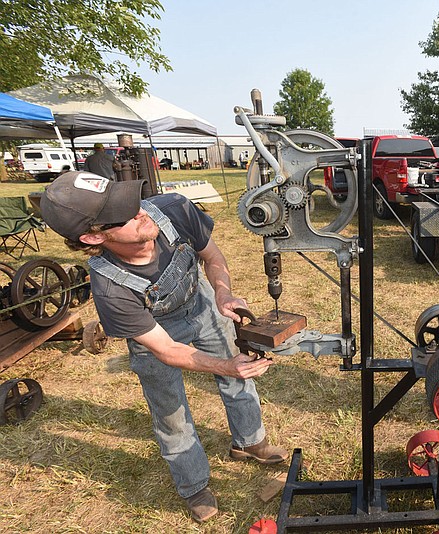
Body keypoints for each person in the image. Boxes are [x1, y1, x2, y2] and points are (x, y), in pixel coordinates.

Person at [39, 171, 289, 522]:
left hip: (201, 303)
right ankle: (194, 485)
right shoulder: (110, 287)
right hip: (155, 332)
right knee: (170, 412)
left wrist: (222, 291)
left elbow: (213, 258)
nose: (140, 212)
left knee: (239, 375)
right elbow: (167, 350)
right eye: (123, 213)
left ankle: (249, 442)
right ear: (93, 236)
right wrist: (223, 365)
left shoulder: (175, 210)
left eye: (130, 199)